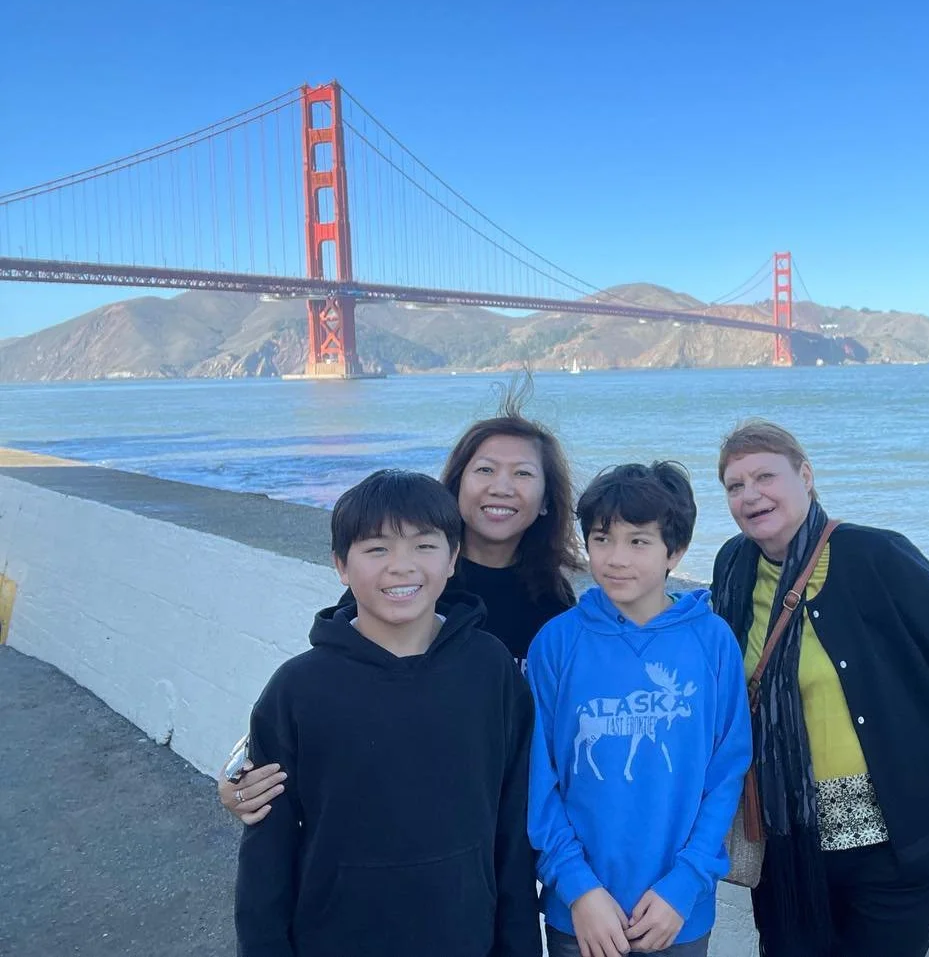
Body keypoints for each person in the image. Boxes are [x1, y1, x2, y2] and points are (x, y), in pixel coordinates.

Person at [710, 421, 929, 957]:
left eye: (765, 476)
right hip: (790, 842)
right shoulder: (733, 566)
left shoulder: (875, 556)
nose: (750, 495)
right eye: (735, 485)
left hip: (897, 841)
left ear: (805, 476)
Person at [221, 394, 583, 823]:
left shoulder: (553, 600)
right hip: (398, 808)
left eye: (522, 473)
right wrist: (243, 769)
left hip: (500, 810)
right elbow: (334, 677)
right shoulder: (407, 584)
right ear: (456, 486)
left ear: (546, 500)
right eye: (485, 470)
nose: (501, 487)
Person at [234, 469, 539, 957]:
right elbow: (267, 854)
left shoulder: (490, 670)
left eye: (424, 546)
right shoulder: (297, 689)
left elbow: (513, 826)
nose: (402, 566)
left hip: (466, 936)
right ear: (341, 565)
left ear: (453, 558)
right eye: (377, 549)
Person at [527, 462, 750, 957]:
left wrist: (686, 882)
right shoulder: (557, 643)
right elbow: (538, 778)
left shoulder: (712, 641)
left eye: (638, 541)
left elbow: (726, 772)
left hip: (678, 912)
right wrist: (578, 887)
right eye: (602, 539)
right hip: (581, 913)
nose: (616, 558)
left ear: (676, 550)